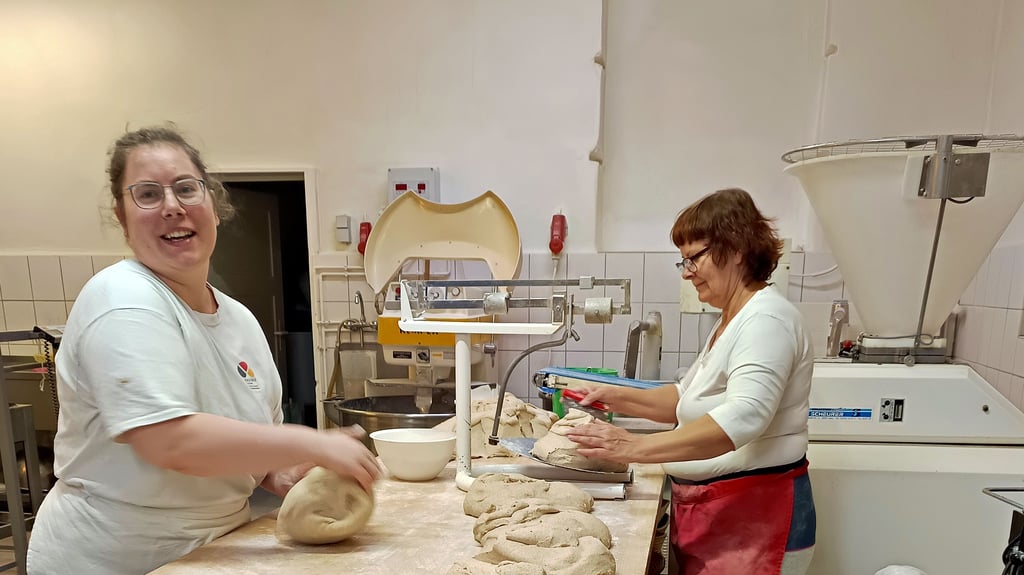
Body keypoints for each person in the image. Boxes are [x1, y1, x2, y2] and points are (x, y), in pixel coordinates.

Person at [26, 125, 381, 575]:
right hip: (115, 559)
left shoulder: (239, 319)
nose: (172, 206)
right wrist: (312, 441)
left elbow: (251, 461)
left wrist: (287, 472)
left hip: (213, 553)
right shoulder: (122, 298)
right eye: (147, 194)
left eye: (186, 188)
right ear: (122, 216)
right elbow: (170, 441)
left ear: (212, 203)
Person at [566, 188, 817, 575]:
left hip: (754, 518)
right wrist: (614, 396)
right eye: (682, 260)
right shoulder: (731, 319)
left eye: (694, 257)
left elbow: (745, 416)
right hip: (716, 514)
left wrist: (635, 446)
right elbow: (687, 398)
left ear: (736, 249)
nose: (686, 272)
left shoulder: (766, 321)